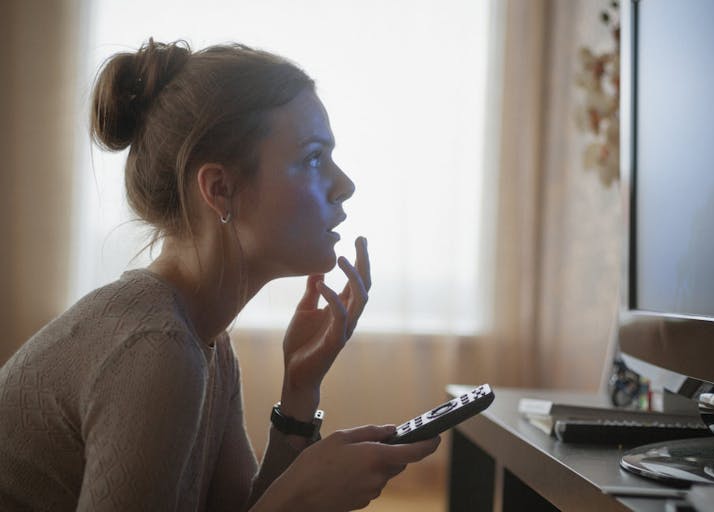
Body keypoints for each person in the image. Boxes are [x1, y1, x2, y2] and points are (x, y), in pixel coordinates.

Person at [0, 39, 439, 511]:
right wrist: (301, 497)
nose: (344, 185)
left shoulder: (208, 344)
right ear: (220, 190)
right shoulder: (156, 348)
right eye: (313, 158)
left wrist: (299, 391)